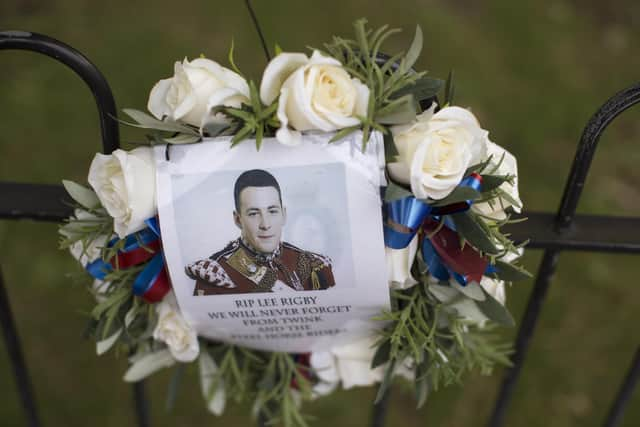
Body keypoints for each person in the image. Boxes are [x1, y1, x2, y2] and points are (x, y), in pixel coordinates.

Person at [185, 169, 335, 295]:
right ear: (237, 219)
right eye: (253, 213)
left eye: (272, 211)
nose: (265, 224)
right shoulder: (217, 273)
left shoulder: (313, 265)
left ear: (284, 215)